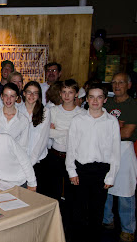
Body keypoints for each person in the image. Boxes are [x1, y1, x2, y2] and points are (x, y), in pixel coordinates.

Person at [66, 83, 120, 242]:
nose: (95, 101)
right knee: (79, 211)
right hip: (80, 170)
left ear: (104, 99)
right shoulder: (78, 120)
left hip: (101, 171)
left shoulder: (111, 122)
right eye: (91, 97)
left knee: (97, 211)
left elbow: (115, 152)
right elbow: (71, 147)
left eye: (99, 97)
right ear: (86, 99)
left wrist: (111, 177)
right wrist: (71, 171)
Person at [102, 73, 137, 242]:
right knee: (106, 187)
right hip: (106, 150)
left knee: (125, 192)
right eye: (114, 83)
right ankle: (107, 220)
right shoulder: (106, 103)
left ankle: (128, 228)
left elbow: (127, 132)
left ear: (128, 85)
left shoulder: (133, 105)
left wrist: (111, 129)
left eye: (121, 82)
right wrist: (117, 126)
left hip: (124, 150)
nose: (117, 86)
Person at [46, 79, 85, 202]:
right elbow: (49, 133)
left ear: (76, 94)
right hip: (56, 154)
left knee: (72, 192)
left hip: (74, 156)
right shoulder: (54, 111)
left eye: (70, 92)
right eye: (64, 92)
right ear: (60, 93)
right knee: (53, 191)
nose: (67, 96)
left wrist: (57, 132)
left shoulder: (82, 113)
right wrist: (69, 133)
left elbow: (81, 137)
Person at [18, 81, 50, 193]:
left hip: (38, 161)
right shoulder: (17, 110)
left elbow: (43, 140)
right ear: (23, 93)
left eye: (35, 93)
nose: (32, 96)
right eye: (29, 92)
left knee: (36, 195)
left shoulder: (45, 111)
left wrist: (30, 162)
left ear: (39, 96)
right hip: (20, 160)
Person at [0, 83, 29, 152]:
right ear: (1, 96)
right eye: (6, 96)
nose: (8, 99)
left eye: (12, 96)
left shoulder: (23, 120)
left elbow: (23, 147)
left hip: (14, 159)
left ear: (17, 98)